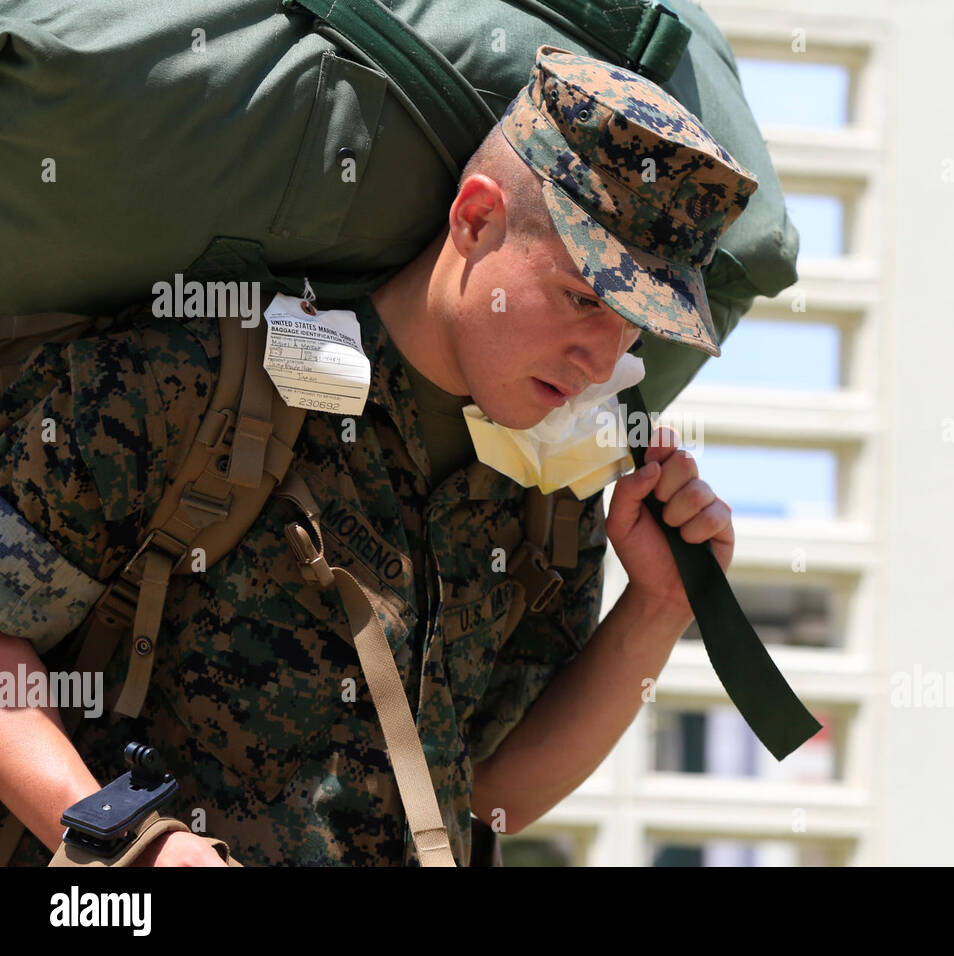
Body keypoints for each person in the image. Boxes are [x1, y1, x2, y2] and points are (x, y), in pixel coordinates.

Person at [0, 46, 753, 866]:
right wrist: (136, 849)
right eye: (582, 299)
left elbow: (490, 795)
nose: (602, 361)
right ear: (475, 219)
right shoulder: (199, 383)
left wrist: (658, 608)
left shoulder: (550, 489)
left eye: (635, 326)